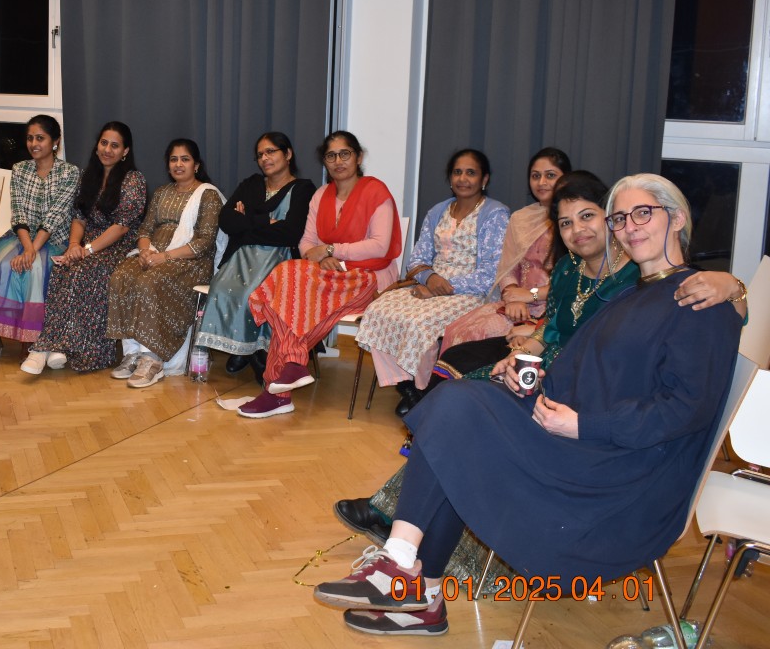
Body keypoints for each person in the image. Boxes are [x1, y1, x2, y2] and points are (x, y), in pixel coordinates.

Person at [314, 173, 744, 638]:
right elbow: (593, 371)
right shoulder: (639, 292)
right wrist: (533, 384)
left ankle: (403, 571)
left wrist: (584, 424)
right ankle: (418, 589)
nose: (629, 227)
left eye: (642, 213)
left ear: (676, 218)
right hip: (589, 443)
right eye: (620, 218)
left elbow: (685, 409)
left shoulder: (700, 298)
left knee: (461, 413)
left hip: (622, 478)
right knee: (462, 413)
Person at [236, 131, 402, 418]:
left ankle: (277, 392)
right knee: (286, 273)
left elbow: (379, 245)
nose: (338, 161)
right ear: (324, 162)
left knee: (290, 301)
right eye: (331, 156)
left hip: (369, 277)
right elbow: (306, 244)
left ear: (358, 157)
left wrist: (331, 250)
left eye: (345, 154)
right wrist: (324, 256)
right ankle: (291, 366)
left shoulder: (376, 192)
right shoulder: (321, 195)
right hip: (329, 275)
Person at [356, 148, 510, 417]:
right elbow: (417, 259)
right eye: (457, 172)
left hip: (473, 292)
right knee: (379, 310)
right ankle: (409, 387)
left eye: (471, 173)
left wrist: (443, 287)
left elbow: (490, 273)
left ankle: (423, 388)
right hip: (431, 285)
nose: (463, 178)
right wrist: (430, 279)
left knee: (420, 323)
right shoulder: (438, 211)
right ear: (450, 178)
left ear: (484, 179)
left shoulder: (495, 214)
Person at [426, 147, 570, 387]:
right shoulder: (521, 218)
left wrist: (531, 295)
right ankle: (443, 395)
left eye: (550, 175)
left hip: (551, 308)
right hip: (515, 304)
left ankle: (475, 395)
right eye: (535, 176)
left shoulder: (571, 223)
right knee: (458, 331)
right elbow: (507, 266)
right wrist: (512, 295)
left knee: (483, 336)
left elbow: (570, 279)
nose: (542, 182)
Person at [23, 122, 147, 374]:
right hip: (87, 242)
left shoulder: (134, 180)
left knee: (84, 272)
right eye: (104, 143)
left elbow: (121, 227)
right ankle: (54, 347)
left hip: (118, 246)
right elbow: (78, 217)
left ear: (125, 151)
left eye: (115, 146)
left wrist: (87, 250)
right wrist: (73, 245)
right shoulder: (88, 175)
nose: (107, 150)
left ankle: (78, 350)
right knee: (62, 268)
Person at [194, 132, 316, 374]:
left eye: (270, 151)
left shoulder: (302, 188)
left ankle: (257, 351)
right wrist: (265, 222)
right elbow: (227, 221)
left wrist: (247, 222)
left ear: (288, 154)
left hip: (280, 259)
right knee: (221, 288)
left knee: (254, 293)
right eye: (260, 155)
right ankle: (246, 350)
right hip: (241, 257)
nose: (264, 158)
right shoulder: (252, 184)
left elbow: (291, 233)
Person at [106, 138, 224, 388]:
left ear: (196, 165)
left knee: (149, 282)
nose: (178, 164)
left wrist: (165, 257)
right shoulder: (161, 192)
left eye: (185, 159)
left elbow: (204, 242)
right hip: (155, 253)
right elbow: (145, 229)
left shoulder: (208, 195)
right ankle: (132, 353)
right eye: (173, 159)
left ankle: (153, 359)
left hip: (190, 261)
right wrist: (145, 251)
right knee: (121, 275)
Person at [0, 115, 81, 344]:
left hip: (55, 239)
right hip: (20, 237)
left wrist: (31, 251)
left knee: (35, 267)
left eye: (40, 138)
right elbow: (18, 213)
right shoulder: (20, 169)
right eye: (30, 138)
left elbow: (54, 217)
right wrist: (28, 247)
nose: (33, 144)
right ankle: (18, 331)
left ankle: (35, 337)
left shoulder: (70, 173)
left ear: (55, 142)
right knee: (4, 263)